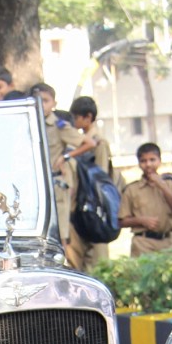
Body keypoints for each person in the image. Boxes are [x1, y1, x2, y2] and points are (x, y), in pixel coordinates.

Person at [31, 83, 91, 258]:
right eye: (37, 100)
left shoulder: (59, 125)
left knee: (61, 233)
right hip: (35, 188)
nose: (41, 105)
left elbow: (89, 143)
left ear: (54, 103)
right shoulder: (30, 122)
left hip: (56, 185)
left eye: (45, 100)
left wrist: (66, 156)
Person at [66, 96, 114, 271]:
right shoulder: (80, 140)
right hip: (79, 207)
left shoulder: (99, 143)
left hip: (94, 206)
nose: (75, 121)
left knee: (97, 265)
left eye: (77, 117)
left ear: (87, 117)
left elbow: (100, 177)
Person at [119, 143, 172, 255]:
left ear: (159, 161)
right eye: (143, 161)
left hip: (168, 242)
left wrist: (161, 185)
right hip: (143, 243)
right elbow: (121, 221)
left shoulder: (170, 184)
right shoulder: (132, 189)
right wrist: (141, 220)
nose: (148, 164)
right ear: (139, 163)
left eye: (152, 160)